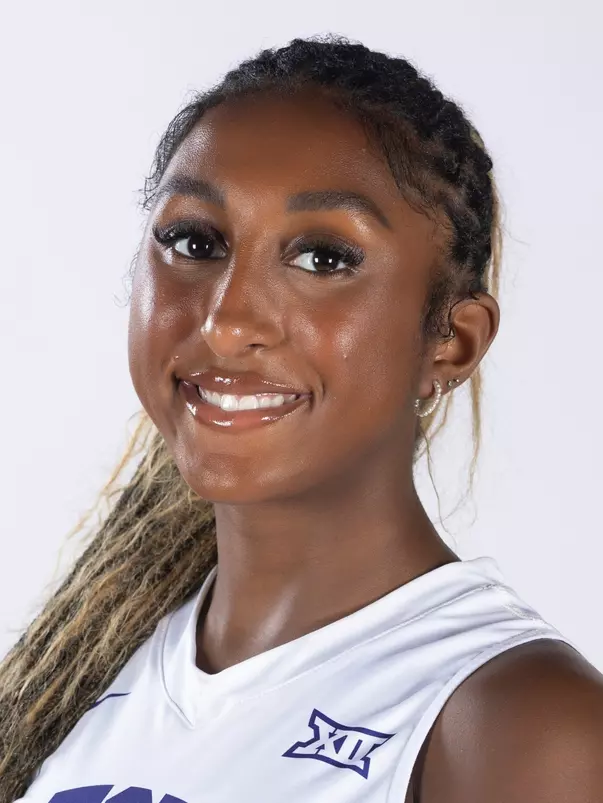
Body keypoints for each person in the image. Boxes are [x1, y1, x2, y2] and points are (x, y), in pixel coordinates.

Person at [2, 32, 602, 803]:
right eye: (195, 241)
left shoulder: (518, 728)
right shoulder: (84, 664)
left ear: (450, 342)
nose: (224, 321)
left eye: (322, 258)